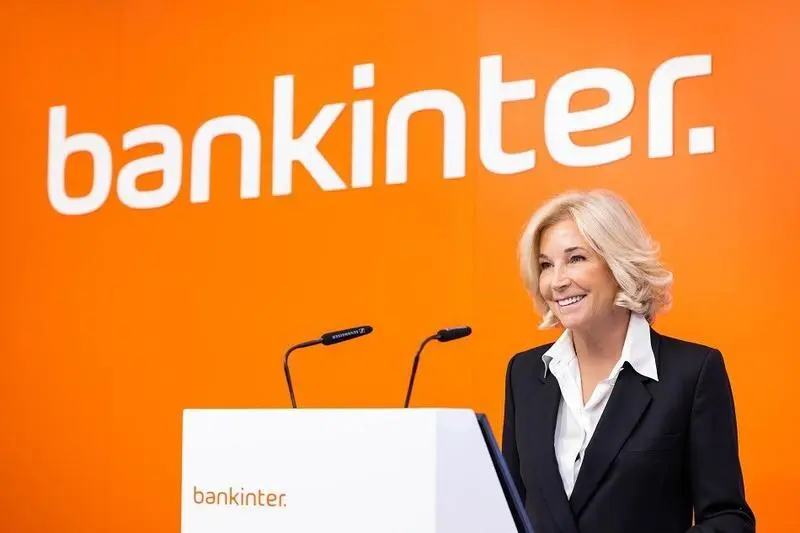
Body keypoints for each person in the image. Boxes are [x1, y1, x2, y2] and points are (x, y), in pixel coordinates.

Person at [502, 190, 755, 533]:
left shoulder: (691, 373)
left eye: (576, 259)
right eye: (546, 265)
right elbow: (510, 509)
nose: (557, 281)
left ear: (619, 264)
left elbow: (728, 519)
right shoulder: (525, 373)